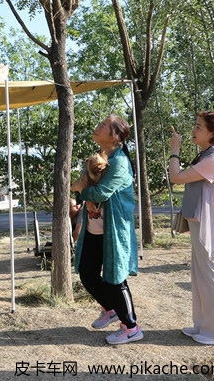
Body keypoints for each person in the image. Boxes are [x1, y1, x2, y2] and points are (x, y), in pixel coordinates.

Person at [71, 114, 141, 345]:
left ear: (115, 136)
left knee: (115, 279)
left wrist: (82, 192)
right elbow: (80, 184)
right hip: (94, 227)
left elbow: (100, 193)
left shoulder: (119, 162)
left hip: (113, 229)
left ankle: (131, 327)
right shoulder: (98, 157)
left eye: (102, 126)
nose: (96, 127)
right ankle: (110, 309)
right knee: (86, 272)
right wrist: (79, 193)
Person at [168, 111, 214, 346]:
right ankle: (204, 325)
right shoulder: (209, 155)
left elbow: (176, 177)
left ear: (213, 133)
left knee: (211, 276)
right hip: (201, 223)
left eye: (199, 127)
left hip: (210, 227)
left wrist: (174, 150)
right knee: (200, 276)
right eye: (195, 125)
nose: (194, 130)